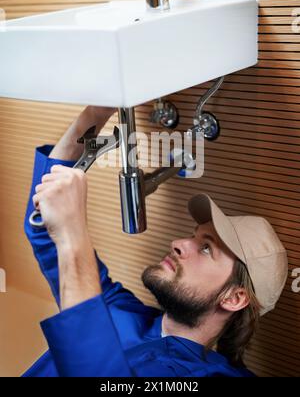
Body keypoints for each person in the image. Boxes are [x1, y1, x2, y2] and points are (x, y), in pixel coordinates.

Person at [23, 106, 288, 377]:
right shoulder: (126, 313)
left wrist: (74, 234)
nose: (177, 243)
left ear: (235, 297)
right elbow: (43, 230)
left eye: (206, 248)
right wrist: (95, 113)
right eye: (194, 235)